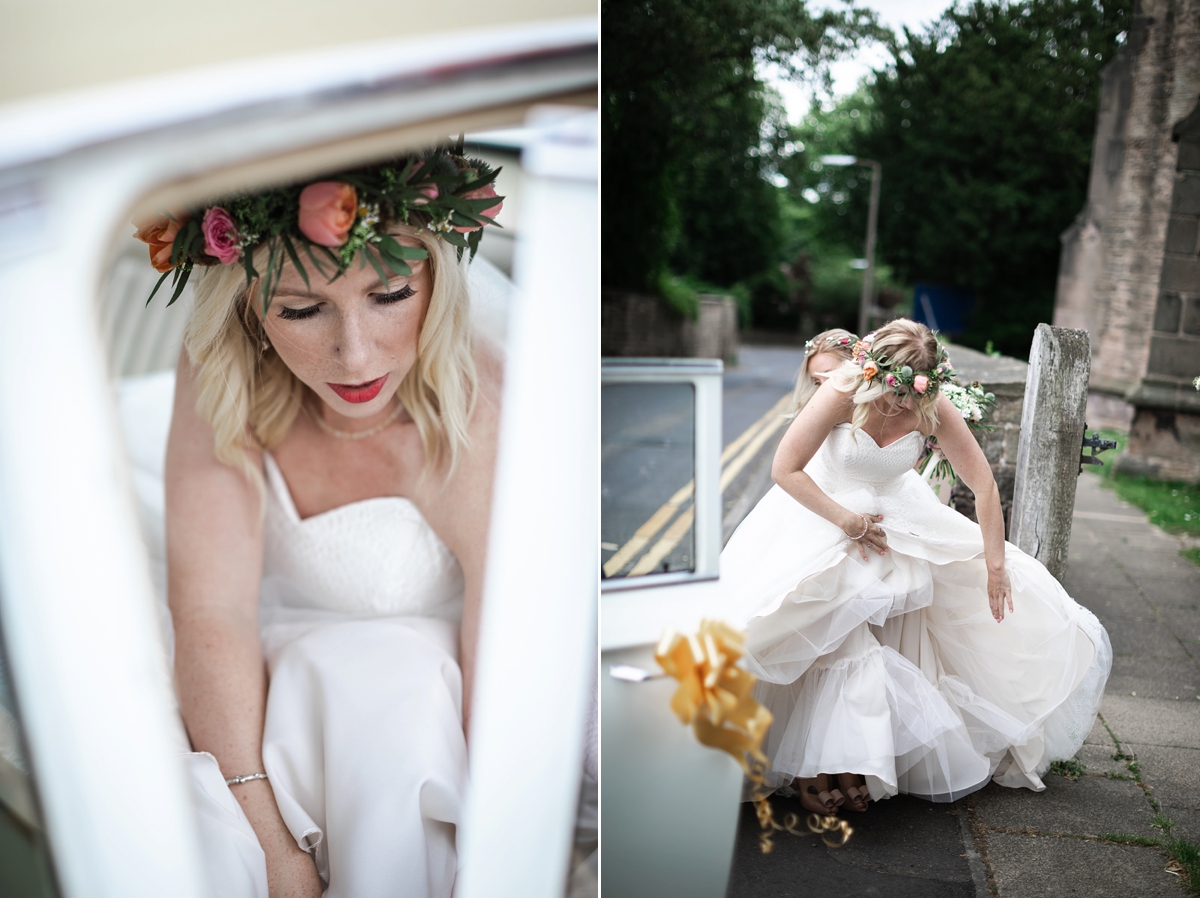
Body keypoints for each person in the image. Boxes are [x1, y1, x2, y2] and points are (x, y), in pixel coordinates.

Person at [136, 149, 505, 898]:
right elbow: (213, 608)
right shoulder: (219, 372)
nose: (355, 354)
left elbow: (507, 635)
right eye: (302, 309)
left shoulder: (480, 395)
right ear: (247, 311)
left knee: (383, 689)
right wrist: (269, 839)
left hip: (431, 687)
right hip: (265, 653)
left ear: (435, 282)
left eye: (391, 294)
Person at [719, 319, 1111, 816]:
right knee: (815, 633)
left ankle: (846, 761)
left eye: (912, 394)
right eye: (892, 390)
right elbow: (785, 469)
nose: (901, 405)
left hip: (896, 519)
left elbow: (985, 487)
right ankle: (817, 766)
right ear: (871, 370)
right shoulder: (842, 390)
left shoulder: (930, 406)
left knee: (872, 635)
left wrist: (995, 566)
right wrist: (848, 521)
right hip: (821, 513)